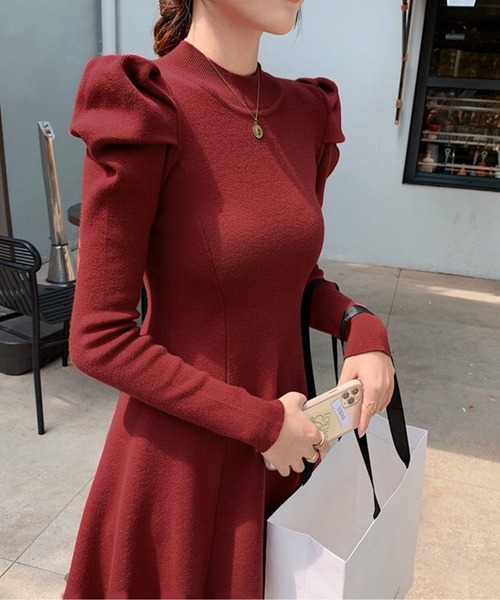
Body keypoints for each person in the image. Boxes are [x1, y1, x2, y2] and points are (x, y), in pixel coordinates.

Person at [63, 0, 395, 598]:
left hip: (288, 451)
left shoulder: (305, 111)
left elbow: (289, 278)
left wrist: (360, 325)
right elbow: (98, 338)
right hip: (183, 471)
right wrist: (261, 424)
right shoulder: (146, 104)